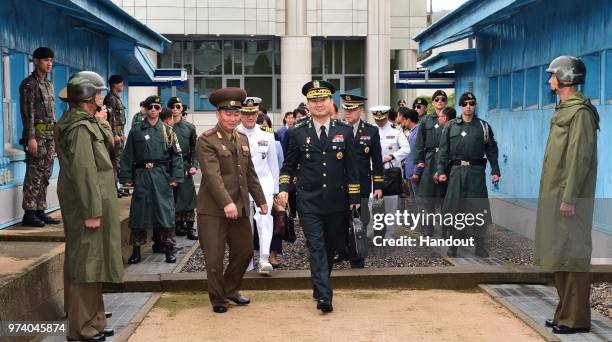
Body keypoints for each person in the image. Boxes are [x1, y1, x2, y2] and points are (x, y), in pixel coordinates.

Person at [277, 80, 360, 313]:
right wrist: (284, 188)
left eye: (322, 99)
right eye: (314, 100)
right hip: (309, 201)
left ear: (330, 102)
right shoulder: (297, 132)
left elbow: (353, 169)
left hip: (337, 201)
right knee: (316, 246)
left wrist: (354, 198)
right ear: (308, 104)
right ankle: (325, 295)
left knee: (332, 246)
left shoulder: (344, 131)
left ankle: (319, 284)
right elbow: (288, 166)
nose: (318, 104)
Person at [55, 71, 123, 341]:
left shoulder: (86, 121)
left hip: (94, 201)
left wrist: (102, 121)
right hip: (87, 205)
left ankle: (94, 320)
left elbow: (109, 145)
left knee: (94, 262)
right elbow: (85, 172)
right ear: (87, 97)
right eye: (97, 93)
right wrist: (92, 211)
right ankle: (81, 328)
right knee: (85, 263)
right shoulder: (79, 127)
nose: (100, 97)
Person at [537, 56, 599, 335]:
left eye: (552, 75)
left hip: (568, 197)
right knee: (559, 252)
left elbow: (579, 159)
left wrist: (569, 197)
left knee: (572, 254)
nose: (549, 80)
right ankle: (564, 312)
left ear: (564, 77)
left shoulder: (581, 113)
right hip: (555, 194)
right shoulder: (565, 109)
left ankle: (575, 319)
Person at [196, 87, 267, 314]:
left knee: (245, 251)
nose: (233, 118)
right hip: (213, 209)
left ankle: (230, 289)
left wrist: (261, 200)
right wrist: (226, 202)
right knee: (214, 258)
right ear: (218, 114)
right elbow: (212, 176)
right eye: (228, 114)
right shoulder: (206, 140)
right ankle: (218, 299)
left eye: (237, 114)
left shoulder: (242, 138)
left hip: (240, 207)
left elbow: (250, 173)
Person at [119, 96, 184, 264]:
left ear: (160, 109)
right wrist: (126, 177)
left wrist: (176, 177)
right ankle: (136, 251)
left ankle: (168, 249)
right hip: (142, 175)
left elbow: (177, 156)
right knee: (139, 213)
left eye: (156, 106)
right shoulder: (136, 130)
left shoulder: (168, 131)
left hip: (161, 175)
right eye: (150, 107)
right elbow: (128, 155)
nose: (153, 109)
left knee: (165, 212)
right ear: (146, 109)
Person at [436, 92, 500, 257]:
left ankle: (480, 246)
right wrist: (441, 171)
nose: (468, 106)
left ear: (475, 105)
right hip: (456, 171)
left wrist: (495, 170)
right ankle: (453, 246)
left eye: (471, 103)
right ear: (460, 106)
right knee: (455, 208)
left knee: (477, 208)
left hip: (476, 172)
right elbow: (443, 151)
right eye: (465, 103)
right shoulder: (451, 126)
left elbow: (492, 149)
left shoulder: (483, 126)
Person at [339, 94, 383, 268]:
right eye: (346, 109)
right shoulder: (338, 128)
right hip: (341, 183)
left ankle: (358, 257)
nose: (348, 112)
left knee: (361, 220)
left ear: (361, 110)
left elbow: (377, 160)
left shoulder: (371, 131)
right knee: (341, 219)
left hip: (363, 184)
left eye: (352, 109)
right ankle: (342, 251)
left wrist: (378, 185)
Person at [238, 97, 279, 274]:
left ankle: (263, 259)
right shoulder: (234, 133)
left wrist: (276, 190)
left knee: (265, 220)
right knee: (245, 224)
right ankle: (246, 262)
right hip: (241, 186)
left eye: (253, 113)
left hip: (264, 184)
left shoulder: (267, 134)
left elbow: (273, 165)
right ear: (240, 114)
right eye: (246, 113)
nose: (250, 117)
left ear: (258, 113)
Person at [19, 47, 60, 227]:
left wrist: (56, 135)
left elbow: (51, 113)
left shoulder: (48, 85)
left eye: (51, 60)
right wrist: (31, 137)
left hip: (49, 136)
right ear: (36, 61)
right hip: (36, 136)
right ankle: (28, 213)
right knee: (34, 173)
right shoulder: (29, 84)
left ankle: (39, 210)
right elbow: (28, 114)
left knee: (46, 174)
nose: (49, 63)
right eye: (45, 60)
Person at [371, 105, 410, 238]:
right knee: (372, 205)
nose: (379, 122)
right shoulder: (371, 130)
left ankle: (389, 234)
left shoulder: (396, 131)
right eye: (376, 119)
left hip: (391, 173)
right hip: (374, 172)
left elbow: (406, 149)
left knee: (390, 207)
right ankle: (371, 233)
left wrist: (392, 156)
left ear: (387, 116)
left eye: (381, 119)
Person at [414, 90, 448, 236]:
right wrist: (419, 161)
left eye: (442, 99)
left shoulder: (452, 119)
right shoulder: (426, 120)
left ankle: (447, 230)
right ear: (433, 103)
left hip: (446, 160)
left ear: (446, 102)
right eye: (437, 99)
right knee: (427, 196)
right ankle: (428, 228)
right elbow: (419, 143)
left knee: (446, 197)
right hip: (429, 159)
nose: (440, 101)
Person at [169, 97, 199, 240]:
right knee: (173, 197)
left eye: (177, 106)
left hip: (185, 165)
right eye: (172, 106)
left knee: (188, 197)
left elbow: (195, 149)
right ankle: (177, 224)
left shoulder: (189, 127)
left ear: (182, 109)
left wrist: (194, 165)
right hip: (170, 167)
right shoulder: (165, 126)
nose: (174, 108)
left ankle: (190, 227)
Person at [104, 75, 129, 198]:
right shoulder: (110, 99)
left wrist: (121, 134)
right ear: (115, 84)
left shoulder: (116, 98)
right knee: (113, 162)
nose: (122, 86)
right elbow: (111, 118)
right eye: (121, 83)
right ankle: (112, 188)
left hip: (119, 134)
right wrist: (114, 135)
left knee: (117, 162)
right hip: (114, 135)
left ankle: (116, 187)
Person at [399, 107, 423, 206]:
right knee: (413, 201)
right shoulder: (412, 132)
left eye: (403, 120)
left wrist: (416, 172)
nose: (403, 122)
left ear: (408, 119)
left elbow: (419, 153)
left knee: (419, 202)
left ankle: (422, 221)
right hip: (410, 173)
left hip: (415, 173)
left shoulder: (418, 132)